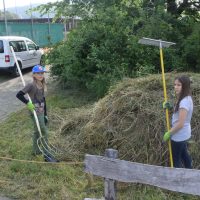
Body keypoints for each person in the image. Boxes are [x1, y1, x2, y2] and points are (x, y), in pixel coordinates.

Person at [16, 65, 57, 162]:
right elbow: (19, 95)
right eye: (38, 73)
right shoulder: (31, 85)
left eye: (42, 73)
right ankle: (47, 155)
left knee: (37, 131)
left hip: (42, 111)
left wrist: (46, 114)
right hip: (34, 111)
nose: (40, 75)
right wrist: (28, 103)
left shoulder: (42, 84)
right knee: (44, 132)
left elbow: (44, 100)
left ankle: (36, 151)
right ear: (34, 75)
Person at [163, 75, 193, 168]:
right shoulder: (186, 97)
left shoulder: (184, 102)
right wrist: (171, 107)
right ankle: (190, 171)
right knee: (184, 154)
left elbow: (180, 124)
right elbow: (181, 113)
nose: (175, 87)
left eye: (179, 85)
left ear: (185, 86)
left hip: (179, 135)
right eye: (175, 84)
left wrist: (169, 133)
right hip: (184, 133)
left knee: (176, 159)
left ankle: (178, 180)